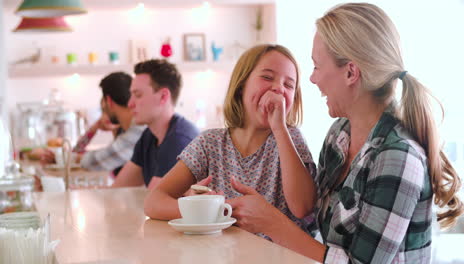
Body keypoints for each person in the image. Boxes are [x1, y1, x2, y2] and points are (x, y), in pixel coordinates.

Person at [222, 3, 464, 263]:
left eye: (316, 66)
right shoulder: (339, 135)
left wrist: (271, 223)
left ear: (350, 72)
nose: (312, 80)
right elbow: (314, 222)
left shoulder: (397, 157)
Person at [143, 44, 317, 238]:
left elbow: (303, 207)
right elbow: (153, 202)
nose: (278, 88)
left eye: (289, 85)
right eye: (267, 77)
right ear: (242, 85)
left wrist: (279, 128)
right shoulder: (210, 143)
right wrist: (202, 210)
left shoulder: (290, 139)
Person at [111, 59, 199, 189]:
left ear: (163, 96)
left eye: (138, 95)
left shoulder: (179, 141)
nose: (130, 103)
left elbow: (152, 204)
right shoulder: (149, 136)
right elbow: (118, 189)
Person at [41, 72, 145, 176]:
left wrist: (63, 158)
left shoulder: (136, 130)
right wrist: (94, 128)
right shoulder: (125, 131)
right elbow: (79, 151)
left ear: (108, 101)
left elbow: (97, 161)